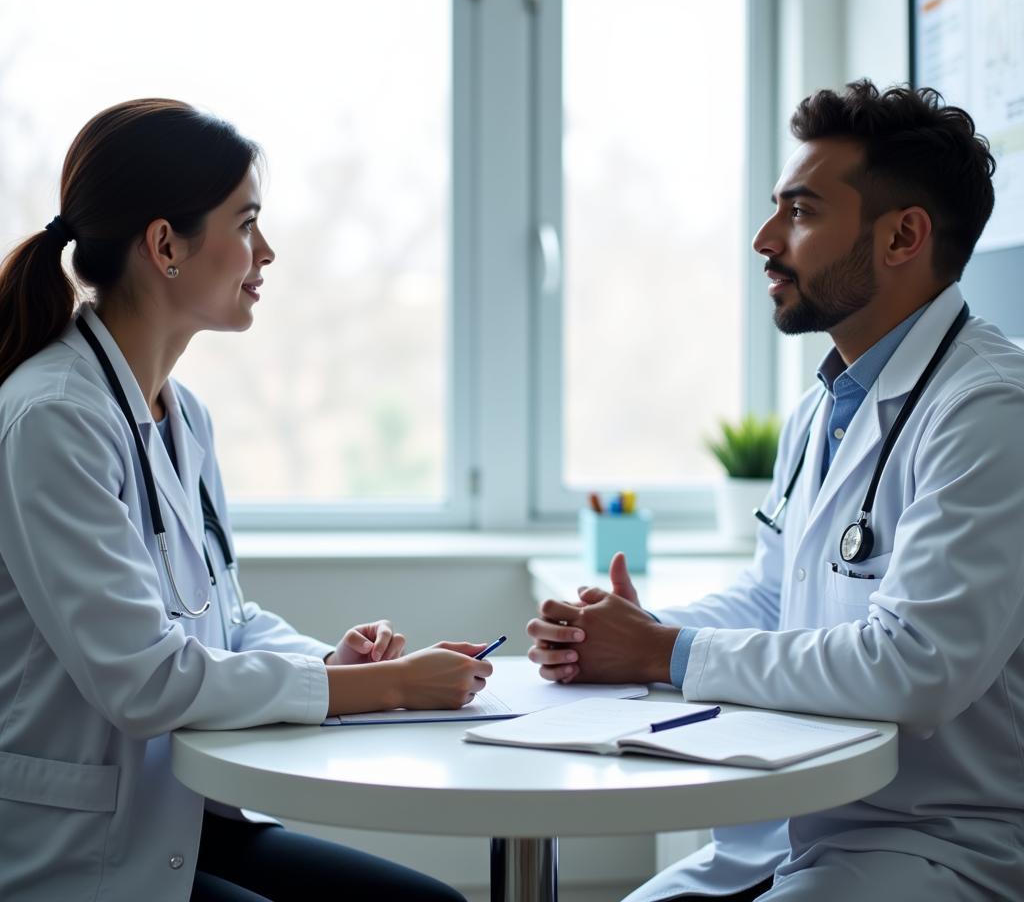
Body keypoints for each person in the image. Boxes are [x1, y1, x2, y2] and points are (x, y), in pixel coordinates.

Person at [527, 80, 1024, 901]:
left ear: (903, 235)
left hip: (936, 844)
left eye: (800, 212)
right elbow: (774, 598)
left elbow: (916, 666)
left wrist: (663, 653)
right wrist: (634, 631)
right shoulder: (823, 406)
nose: (764, 239)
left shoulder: (989, 412)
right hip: (789, 824)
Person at [0, 99, 493, 902]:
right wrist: (386, 688)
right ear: (165, 245)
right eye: (247, 223)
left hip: (182, 822)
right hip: (76, 855)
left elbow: (220, 619)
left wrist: (327, 660)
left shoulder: (179, 413)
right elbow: (145, 680)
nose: (266, 252)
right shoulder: (54, 417)